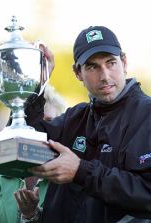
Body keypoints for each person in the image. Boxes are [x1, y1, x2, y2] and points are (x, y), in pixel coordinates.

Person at [14, 26, 151, 223]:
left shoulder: (146, 114)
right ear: (78, 72)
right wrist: (37, 81)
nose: (105, 76)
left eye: (111, 63)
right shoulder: (75, 117)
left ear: (124, 62)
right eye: (92, 66)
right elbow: (21, 142)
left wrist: (80, 171)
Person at [0, 83, 66, 223]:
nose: (39, 130)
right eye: (31, 123)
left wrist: (32, 216)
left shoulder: (67, 178)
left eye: (49, 122)